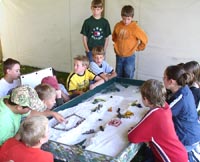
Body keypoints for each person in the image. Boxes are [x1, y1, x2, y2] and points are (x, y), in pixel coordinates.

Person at [128, 79, 188, 162]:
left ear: (145, 99)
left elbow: (132, 137)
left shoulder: (154, 114)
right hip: (179, 153)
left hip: (171, 159)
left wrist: (135, 129)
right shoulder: (165, 106)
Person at [163, 65, 200, 161]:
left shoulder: (180, 97)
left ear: (171, 81)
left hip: (187, 138)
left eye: (164, 77)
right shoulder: (185, 89)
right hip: (193, 133)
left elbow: (161, 115)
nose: (163, 79)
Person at [112, 5, 148, 79]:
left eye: (128, 19)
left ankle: (127, 89)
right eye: (124, 19)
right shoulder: (118, 25)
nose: (126, 21)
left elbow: (144, 40)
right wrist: (116, 47)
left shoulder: (135, 28)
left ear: (132, 17)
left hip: (129, 57)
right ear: (121, 16)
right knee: (118, 75)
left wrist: (137, 48)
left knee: (128, 74)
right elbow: (114, 37)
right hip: (119, 56)